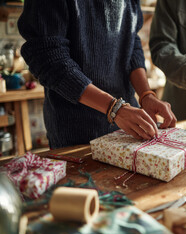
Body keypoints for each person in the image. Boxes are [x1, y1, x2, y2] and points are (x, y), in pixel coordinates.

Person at [17, 0, 176, 149]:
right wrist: (114, 109)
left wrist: (146, 95)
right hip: (76, 135)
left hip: (129, 130)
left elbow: (131, 44)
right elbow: (48, 57)